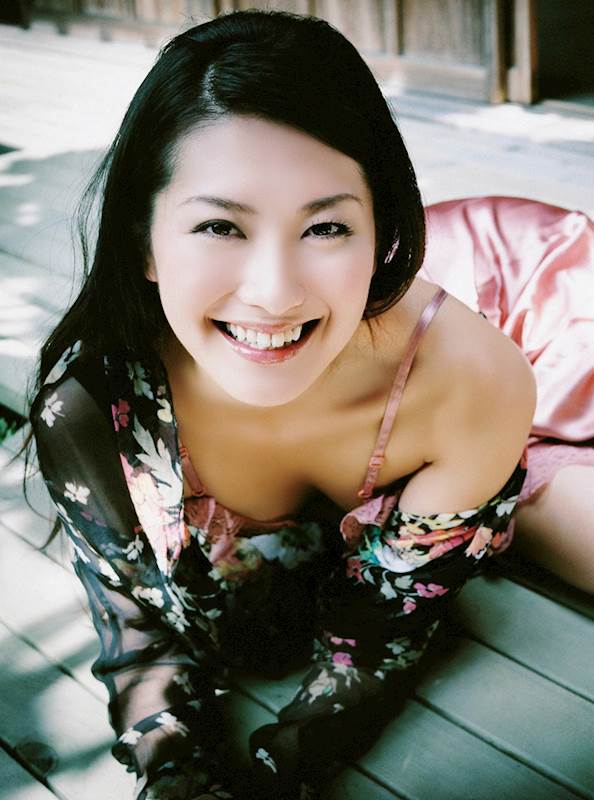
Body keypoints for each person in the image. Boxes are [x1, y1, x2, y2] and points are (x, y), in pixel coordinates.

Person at [22, 8, 592, 800]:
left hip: (542, 308)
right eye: (219, 225)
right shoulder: (93, 410)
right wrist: (179, 780)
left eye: (325, 226)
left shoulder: (475, 381)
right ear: (143, 240)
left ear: (381, 232)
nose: (273, 291)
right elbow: (143, 643)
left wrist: (278, 778)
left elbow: (380, 638)